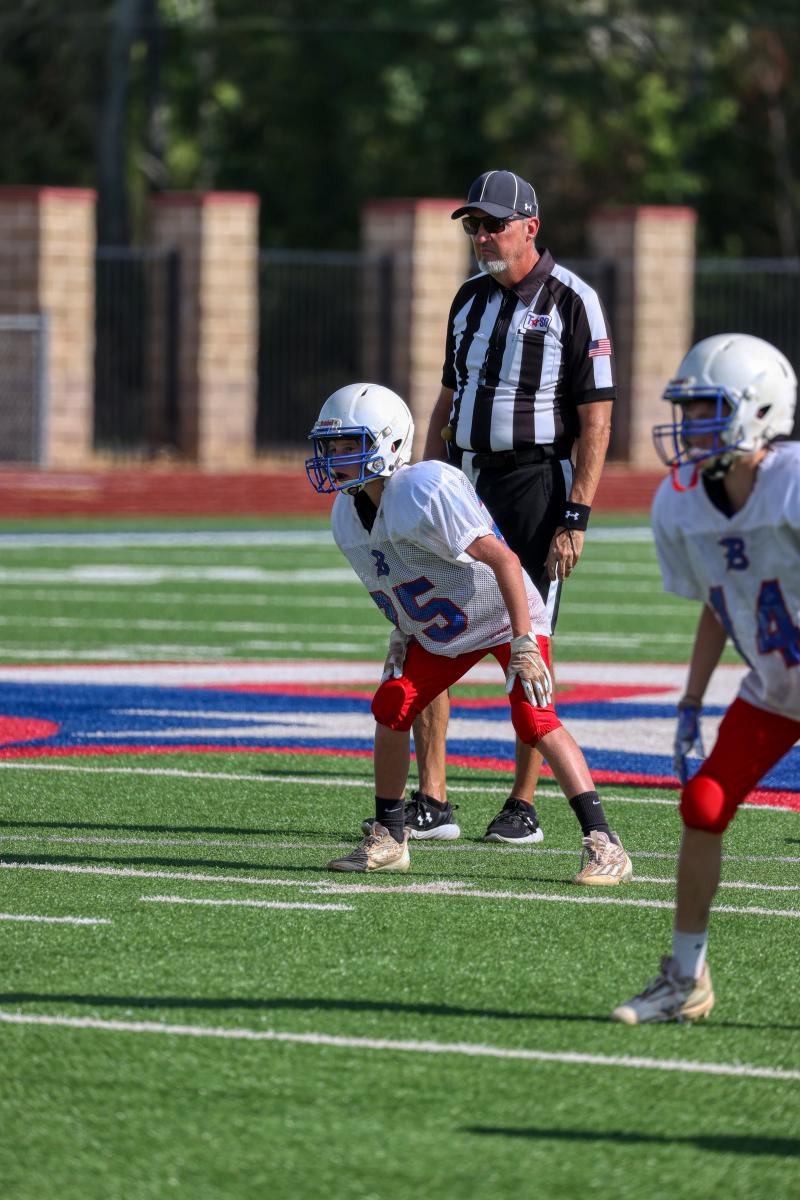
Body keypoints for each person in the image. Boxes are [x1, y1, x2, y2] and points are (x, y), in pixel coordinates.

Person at [305, 380, 632, 884]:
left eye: (351, 445)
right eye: (331, 447)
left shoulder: (423, 488)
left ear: (391, 442)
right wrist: (402, 634)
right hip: (448, 627)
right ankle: (390, 837)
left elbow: (504, 559)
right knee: (393, 703)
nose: (336, 459)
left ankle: (605, 842)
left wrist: (524, 640)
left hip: (502, 612)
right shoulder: (346, 517)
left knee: (534, 717)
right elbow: (397, 583)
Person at [408, 168, 615, 848]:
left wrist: (576, 515)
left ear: (531, 227)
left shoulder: (572, 300)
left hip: (535, 486)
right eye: (474, 225)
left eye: (493, 224)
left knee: (529, 641)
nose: (481, 236)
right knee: (431, 626)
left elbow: (597, 418)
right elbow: (448, 397)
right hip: (464, 479)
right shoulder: (468, 299)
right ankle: (433, 797)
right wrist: (421, 480)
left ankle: (523, 802)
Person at [612, 333, 799, 1024]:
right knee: (705, 803)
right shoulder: (682, 502)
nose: (690, 425)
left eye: (705, 409)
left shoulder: (793, 482)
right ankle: (685, 978)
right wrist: (692, 697)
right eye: (687, 410)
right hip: (777, 692)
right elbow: (721, 601)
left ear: (759, 409)